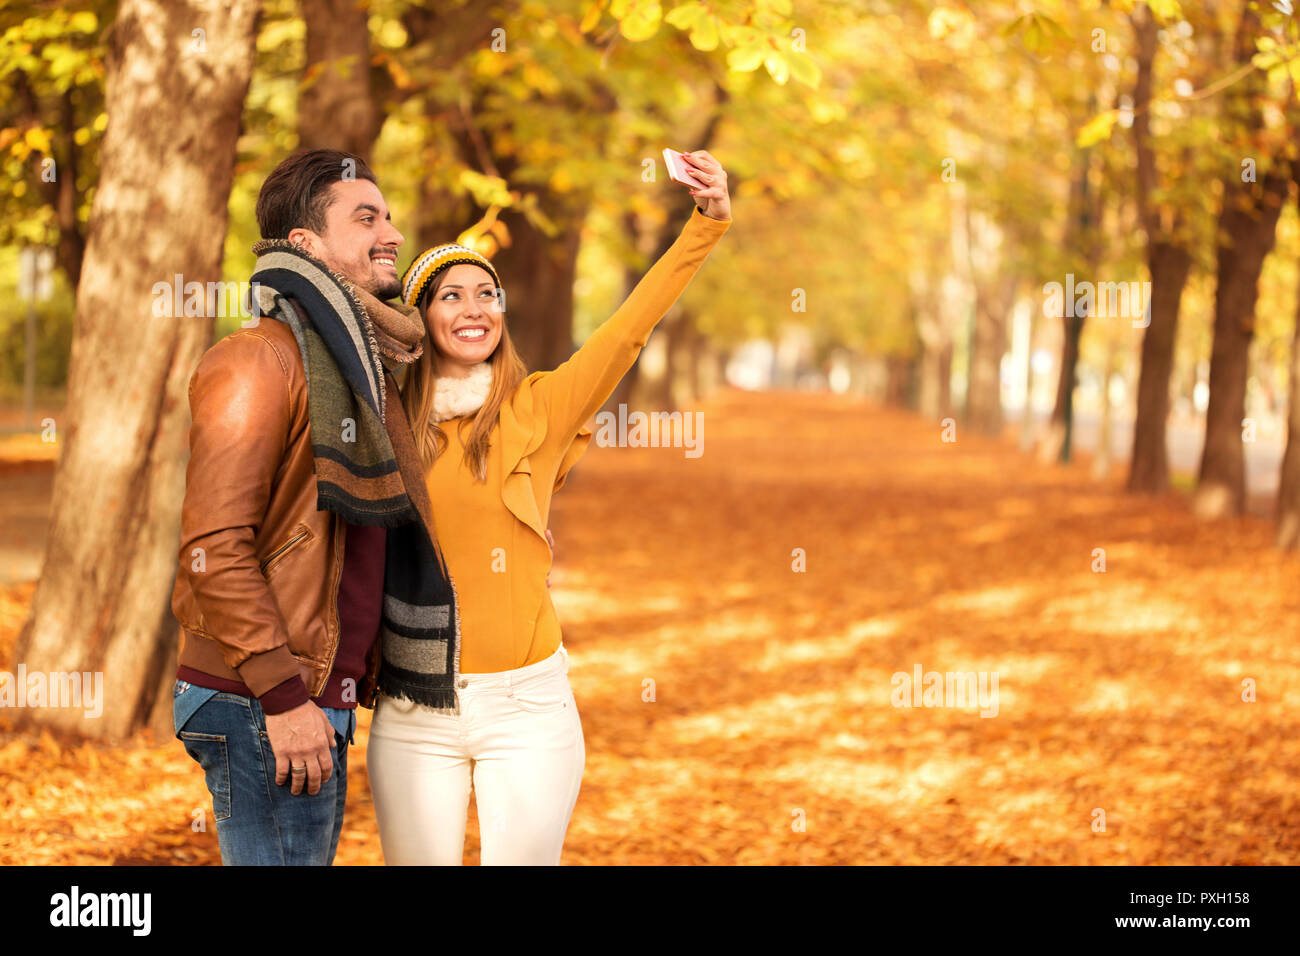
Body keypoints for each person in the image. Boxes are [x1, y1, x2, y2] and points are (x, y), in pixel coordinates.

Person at [366, 149, 732, 865]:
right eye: (451, 296)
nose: (473, 309)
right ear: (419, 316)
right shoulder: (384, 424)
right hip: (413, 709)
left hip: (527, 707)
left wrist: (706, 224)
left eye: (486, 295)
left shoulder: (539, 407)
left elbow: (629, 327)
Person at [169, 148, 452, 865]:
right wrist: (282, 694)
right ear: (305, 244)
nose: (390, 232)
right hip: (261, 692)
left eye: (388, 216)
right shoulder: (258, 360)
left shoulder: (360, 368)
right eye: (366, 219)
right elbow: (213, 543)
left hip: (307, 688)